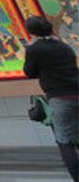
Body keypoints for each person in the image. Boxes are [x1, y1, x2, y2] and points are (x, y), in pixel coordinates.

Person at [24, 16, 79, 182]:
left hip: (60, 97)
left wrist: (29, 48)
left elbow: (30, 72)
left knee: (64, 140)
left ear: (32, 32)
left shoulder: (35, 49)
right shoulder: (64, 46)